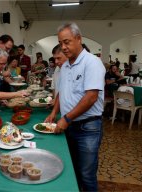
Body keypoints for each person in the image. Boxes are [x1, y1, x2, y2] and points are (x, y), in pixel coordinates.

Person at [45, 22, 106, 191]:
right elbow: (61, 92)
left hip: (88, 127)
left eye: (67, 42)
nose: (63, 47)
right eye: (61, 43)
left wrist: (66, 118)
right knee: (73, 170)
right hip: (70, 126)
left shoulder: (92, 62)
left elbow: (91, 97)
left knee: (86, 174)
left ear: (78, 39)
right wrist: (54, 112)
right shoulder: (65, 66)